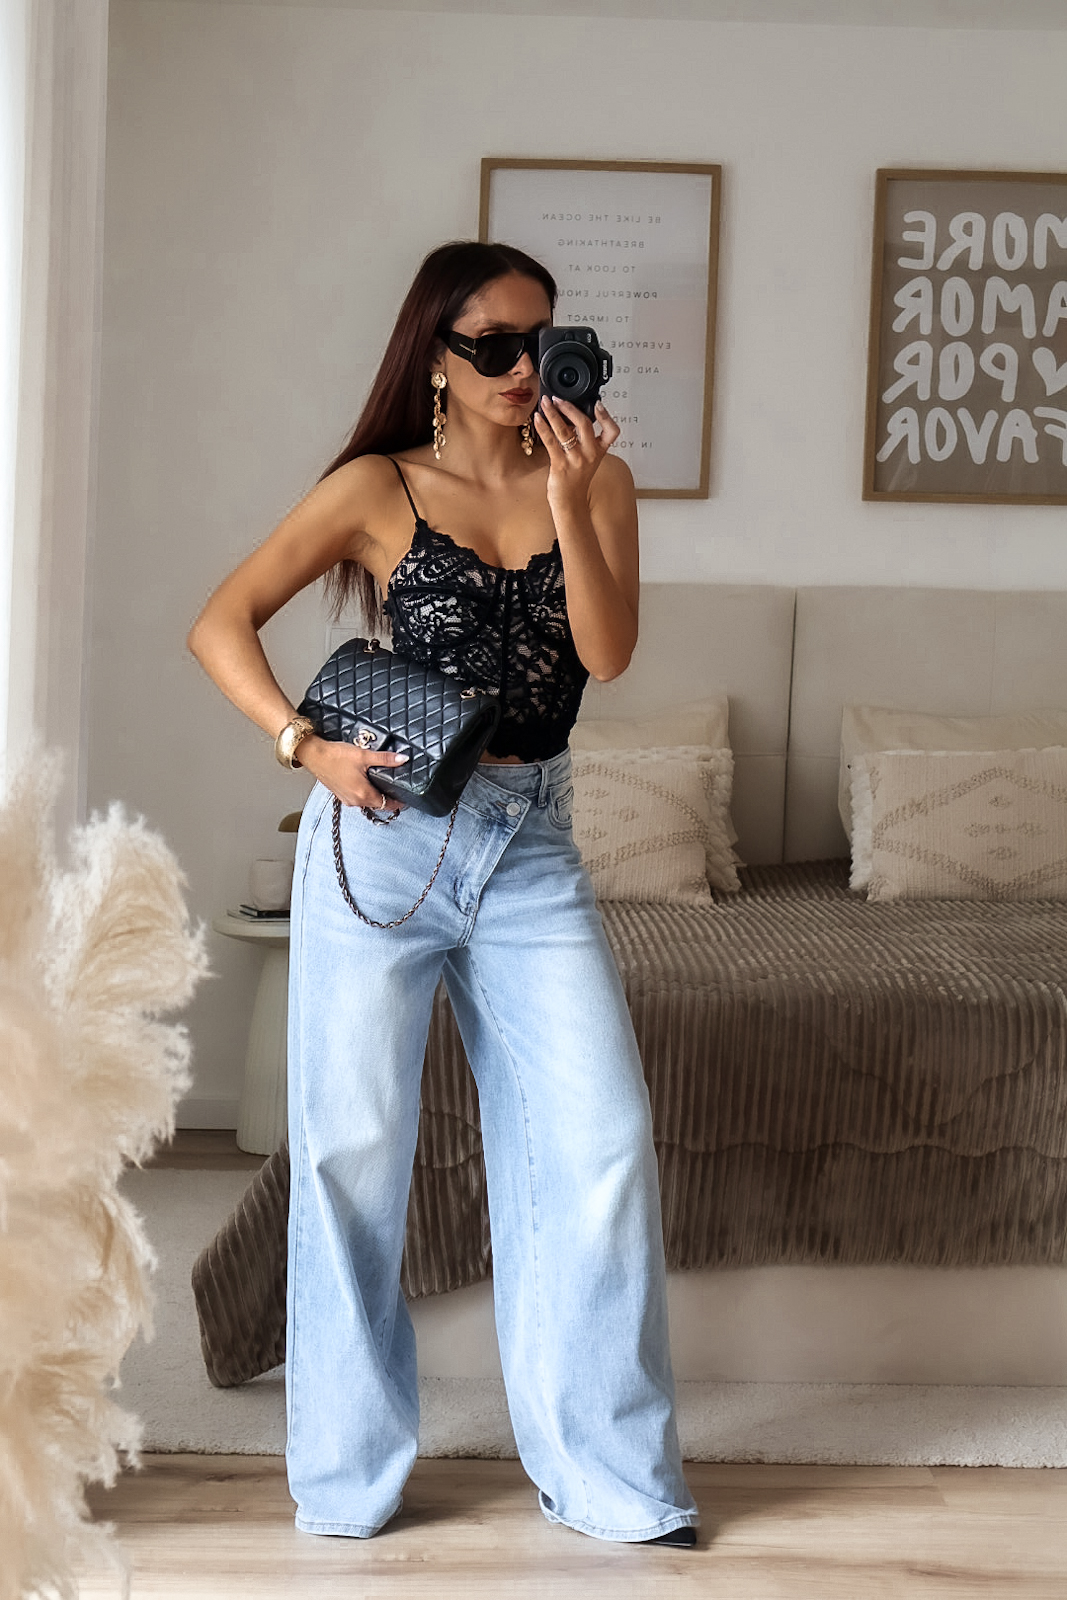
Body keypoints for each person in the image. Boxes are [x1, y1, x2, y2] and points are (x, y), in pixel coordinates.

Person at [187, 240, 698, 1546]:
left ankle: (608, 1476)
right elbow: (221, 621)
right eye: (495, 347)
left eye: (544, 341)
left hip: (531, 843)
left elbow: (607, 656)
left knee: (600, 1142)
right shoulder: (378, 487)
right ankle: (347, 1482)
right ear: (436, 356)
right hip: (383, 842)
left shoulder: (599, 480)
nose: (527, 369)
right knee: (353, 1154)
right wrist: (303, 746)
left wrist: (573, 499)